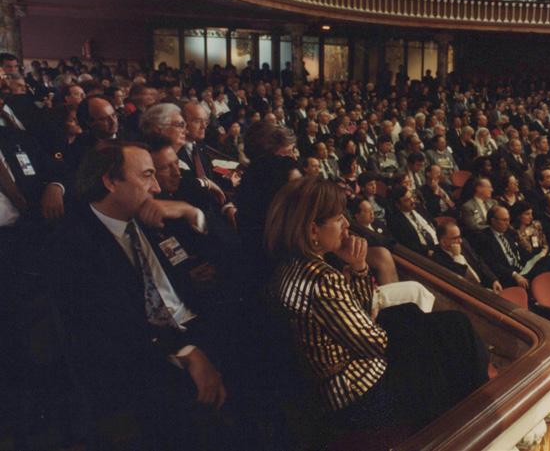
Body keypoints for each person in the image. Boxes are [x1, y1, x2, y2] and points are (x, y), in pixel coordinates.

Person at [48, 142, 239, 448]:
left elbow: (232, 251)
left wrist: (189, 211)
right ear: (111, 181)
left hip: (198, 323)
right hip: (145, 355)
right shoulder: (74, 244)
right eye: (147, 176)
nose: (157, 187)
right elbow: (113, 325)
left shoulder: (153, 212)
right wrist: (187, 351)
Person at [265, 178, 488, 431]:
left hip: (331, 386)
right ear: (313, 230)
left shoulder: (290, 266)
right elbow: (375, 342)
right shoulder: (323, 278)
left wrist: (358, 267)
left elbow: (360, 312)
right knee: (453, 331)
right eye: (338, 219)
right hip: (359, 393)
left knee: (414, 315)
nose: (346, 224)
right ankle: (477, 415)